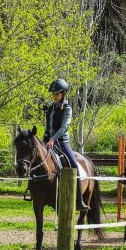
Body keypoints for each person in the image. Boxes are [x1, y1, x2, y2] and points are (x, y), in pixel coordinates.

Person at [43, 78, 90, 211]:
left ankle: (79, 200)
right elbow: (48, 126)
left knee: (74, 165)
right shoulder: (51, 108)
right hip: (49, 141)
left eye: (57, 94)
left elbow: (64, 127)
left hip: (62, 142)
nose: (54, 96)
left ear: (63, 94)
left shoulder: (67, 109)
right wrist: (45, 139)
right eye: (53, 94)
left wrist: (53, 139)